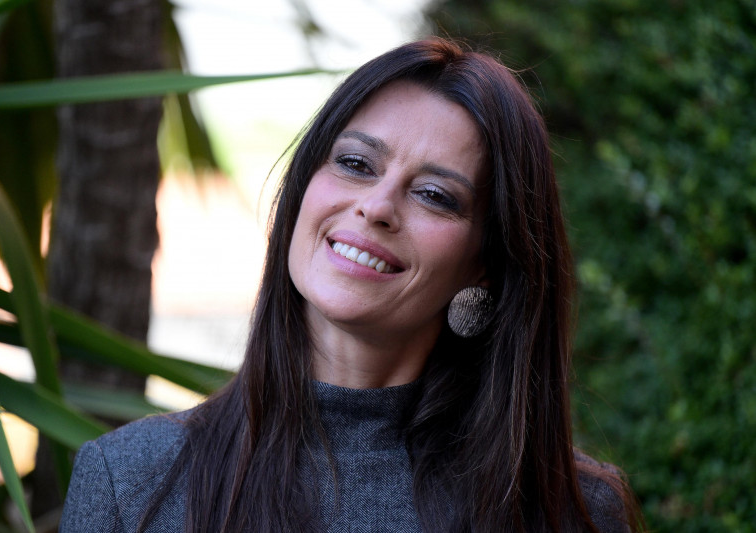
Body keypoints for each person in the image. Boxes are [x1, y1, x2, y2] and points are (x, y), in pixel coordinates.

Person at [60, 37, 642, 532]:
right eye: (356, 164)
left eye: (434, 195)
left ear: (484, 264)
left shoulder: (572, 511)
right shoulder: (129, 484)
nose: (377, 207)